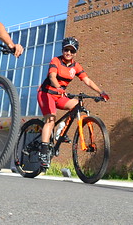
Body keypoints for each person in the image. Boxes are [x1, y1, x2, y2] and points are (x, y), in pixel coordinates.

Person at [36, 37, 109, 168]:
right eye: (66, 49)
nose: (68, 53)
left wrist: (101, 92)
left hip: (59, 96)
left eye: (72, 51)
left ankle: (61, 132)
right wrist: (58, 87)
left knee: (77, 104)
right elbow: (52, 76)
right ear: (62, 50)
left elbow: (87, 80)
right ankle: (44, 151)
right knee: (50, 120)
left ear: (75, 53)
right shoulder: (56, 60)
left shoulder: (76, 66)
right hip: (46, 94)